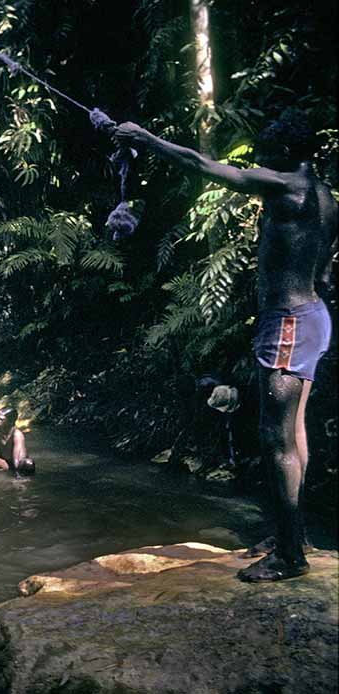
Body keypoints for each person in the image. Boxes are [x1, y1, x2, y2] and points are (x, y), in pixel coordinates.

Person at [113, 109, 336, 582]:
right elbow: (323, 270)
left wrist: (144, 137)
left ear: (286, 152)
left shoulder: (284, 186)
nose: (263, 158)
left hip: (290, 322)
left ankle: (290, 556)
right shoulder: (324, 196)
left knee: (275, 438)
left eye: (269, 150)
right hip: (312, 316)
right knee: (295, 431)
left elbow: (202, 164)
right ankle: (291, 535)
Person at [0, 406, 35, 476]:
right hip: (7, 463)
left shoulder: (17, 434)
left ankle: (23, 477)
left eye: (1, 419)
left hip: (20, 464)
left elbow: (17, 459)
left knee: (28, 463)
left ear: (10, 421)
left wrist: (17, 477)